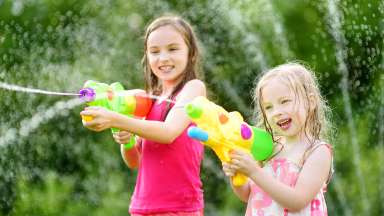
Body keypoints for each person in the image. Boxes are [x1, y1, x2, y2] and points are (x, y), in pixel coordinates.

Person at [81, 15, 206, 216]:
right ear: (147, 56)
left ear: (190, 53)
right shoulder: (150, 100)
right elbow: (135, 162)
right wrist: (126, 139)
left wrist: (116, 119)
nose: (163, 58)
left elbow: (168, 133)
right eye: (155, 51)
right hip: (142, 207)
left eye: (173, 49)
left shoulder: (193, 89)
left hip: (179, 208)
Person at [222, 62, 333, 215]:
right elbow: (248, 195)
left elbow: (297, 201)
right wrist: (238, 173)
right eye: (268, 107)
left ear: (310, 101)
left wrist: (253, 172)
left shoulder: (317, 152)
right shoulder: (269, 147)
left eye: (284, 101)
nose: (276, 112)